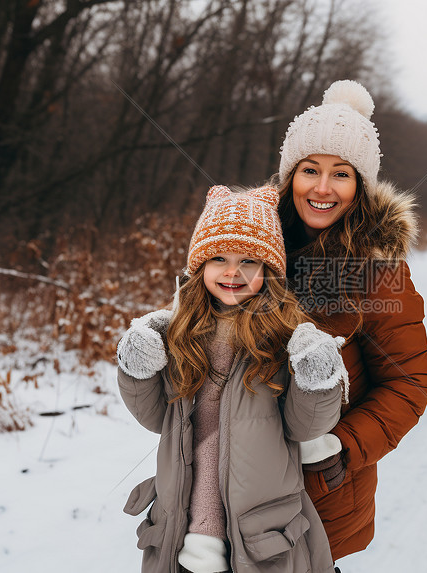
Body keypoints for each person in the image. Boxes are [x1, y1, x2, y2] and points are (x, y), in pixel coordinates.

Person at [116, 185, 348, 573]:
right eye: (219, 257)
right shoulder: (179, 334)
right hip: (182, 523)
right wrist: (138, 368)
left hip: (260, 533)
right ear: (199, 266)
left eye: (248, 262)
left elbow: (303, 426)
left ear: (269, 272)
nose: (231, 271)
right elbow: (157, 418)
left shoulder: (283, 337)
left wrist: (317, 377)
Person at [272, 80, 427, 562]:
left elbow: (410, 382)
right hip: (234, 489)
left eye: (341, 174)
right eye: (310, 170)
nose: (323, 188)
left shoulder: (377, 271)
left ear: (360, 186)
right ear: (290, 176)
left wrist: (342, 447)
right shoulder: (249, 253)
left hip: (319, 495)